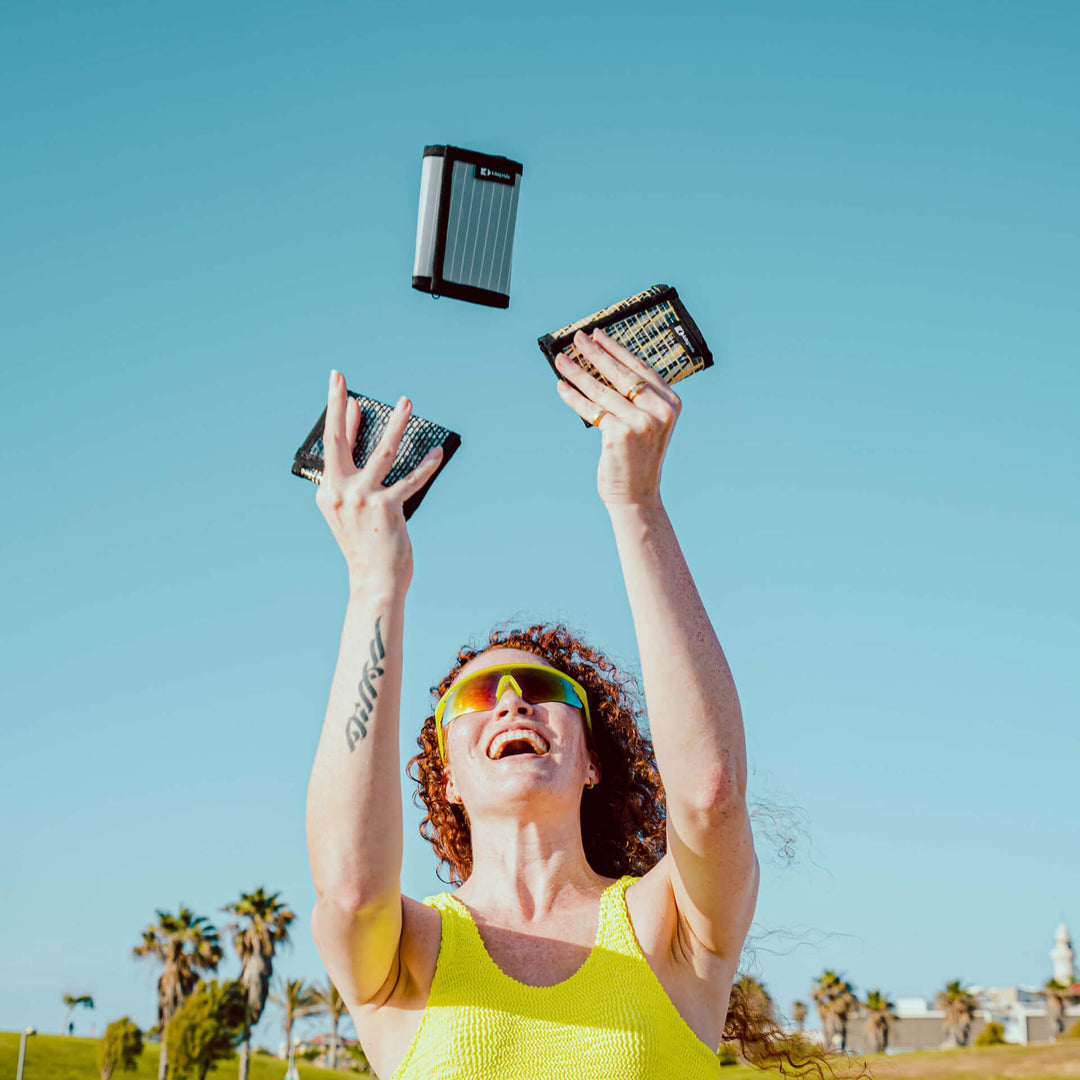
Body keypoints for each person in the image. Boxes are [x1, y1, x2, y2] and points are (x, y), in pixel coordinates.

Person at [306, 328, 761, 1079]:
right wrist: (373, 583)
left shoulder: (669, 929)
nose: (513, 698)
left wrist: (637, 500)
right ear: (444, 775)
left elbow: (710, 796)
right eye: (479, 695)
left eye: (549, 690)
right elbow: (350, 890)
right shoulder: (408, 955)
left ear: (590, 761)